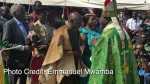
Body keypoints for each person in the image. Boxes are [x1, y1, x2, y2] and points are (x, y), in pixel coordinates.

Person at [88, 0, 140, 84]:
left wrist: (96, 45)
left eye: (100, 16)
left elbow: (102, 61)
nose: (99, 20)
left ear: (105, 16)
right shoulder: (123, 31)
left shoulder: (107, 35)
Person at [39, 12, 86, 84]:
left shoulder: (76, 31)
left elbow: (79, 44)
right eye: (78, 22)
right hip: (64, 66)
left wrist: (81, 46)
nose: (80, 24)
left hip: (76, 65)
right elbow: (55, 51)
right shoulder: (60, 32)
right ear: (71, 21)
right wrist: (72, 52)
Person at [2, 4, 32, 84]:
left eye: (24, 10)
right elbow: (5, 43)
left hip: (25, 60)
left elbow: (27, 39)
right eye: (22, 11)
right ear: (15, 13)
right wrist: (22, 47)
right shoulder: (9, 24)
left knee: (23, 81)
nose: (24, 12)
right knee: (13, 81)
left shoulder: (25, 24)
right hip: (14, 61)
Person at [29, 11, 54, 84]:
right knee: (35, 77)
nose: (44, 17)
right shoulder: (34, 26)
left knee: (44, 77)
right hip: (37, 54)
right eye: (42, 15)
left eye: (45, 15)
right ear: (38, 15)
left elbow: (51, 40)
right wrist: (37, 46)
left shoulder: (49, 27)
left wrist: (48, 45)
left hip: (47, 54)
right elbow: (32, 42)